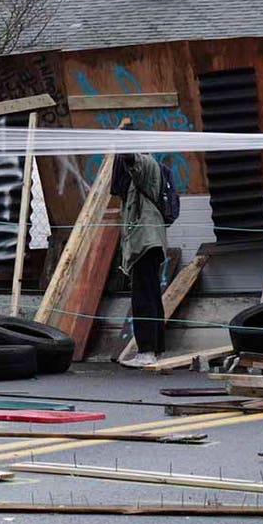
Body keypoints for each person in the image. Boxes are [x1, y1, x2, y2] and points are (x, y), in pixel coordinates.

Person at [112, 153, 168, 368]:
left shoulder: (144, 164)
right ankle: (154, 349)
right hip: (147, 242)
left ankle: (147, 351)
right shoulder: (142, 173)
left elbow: (132, 160)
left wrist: (122, 139)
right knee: (151, 295)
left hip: (145, 243)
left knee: (143, 297)